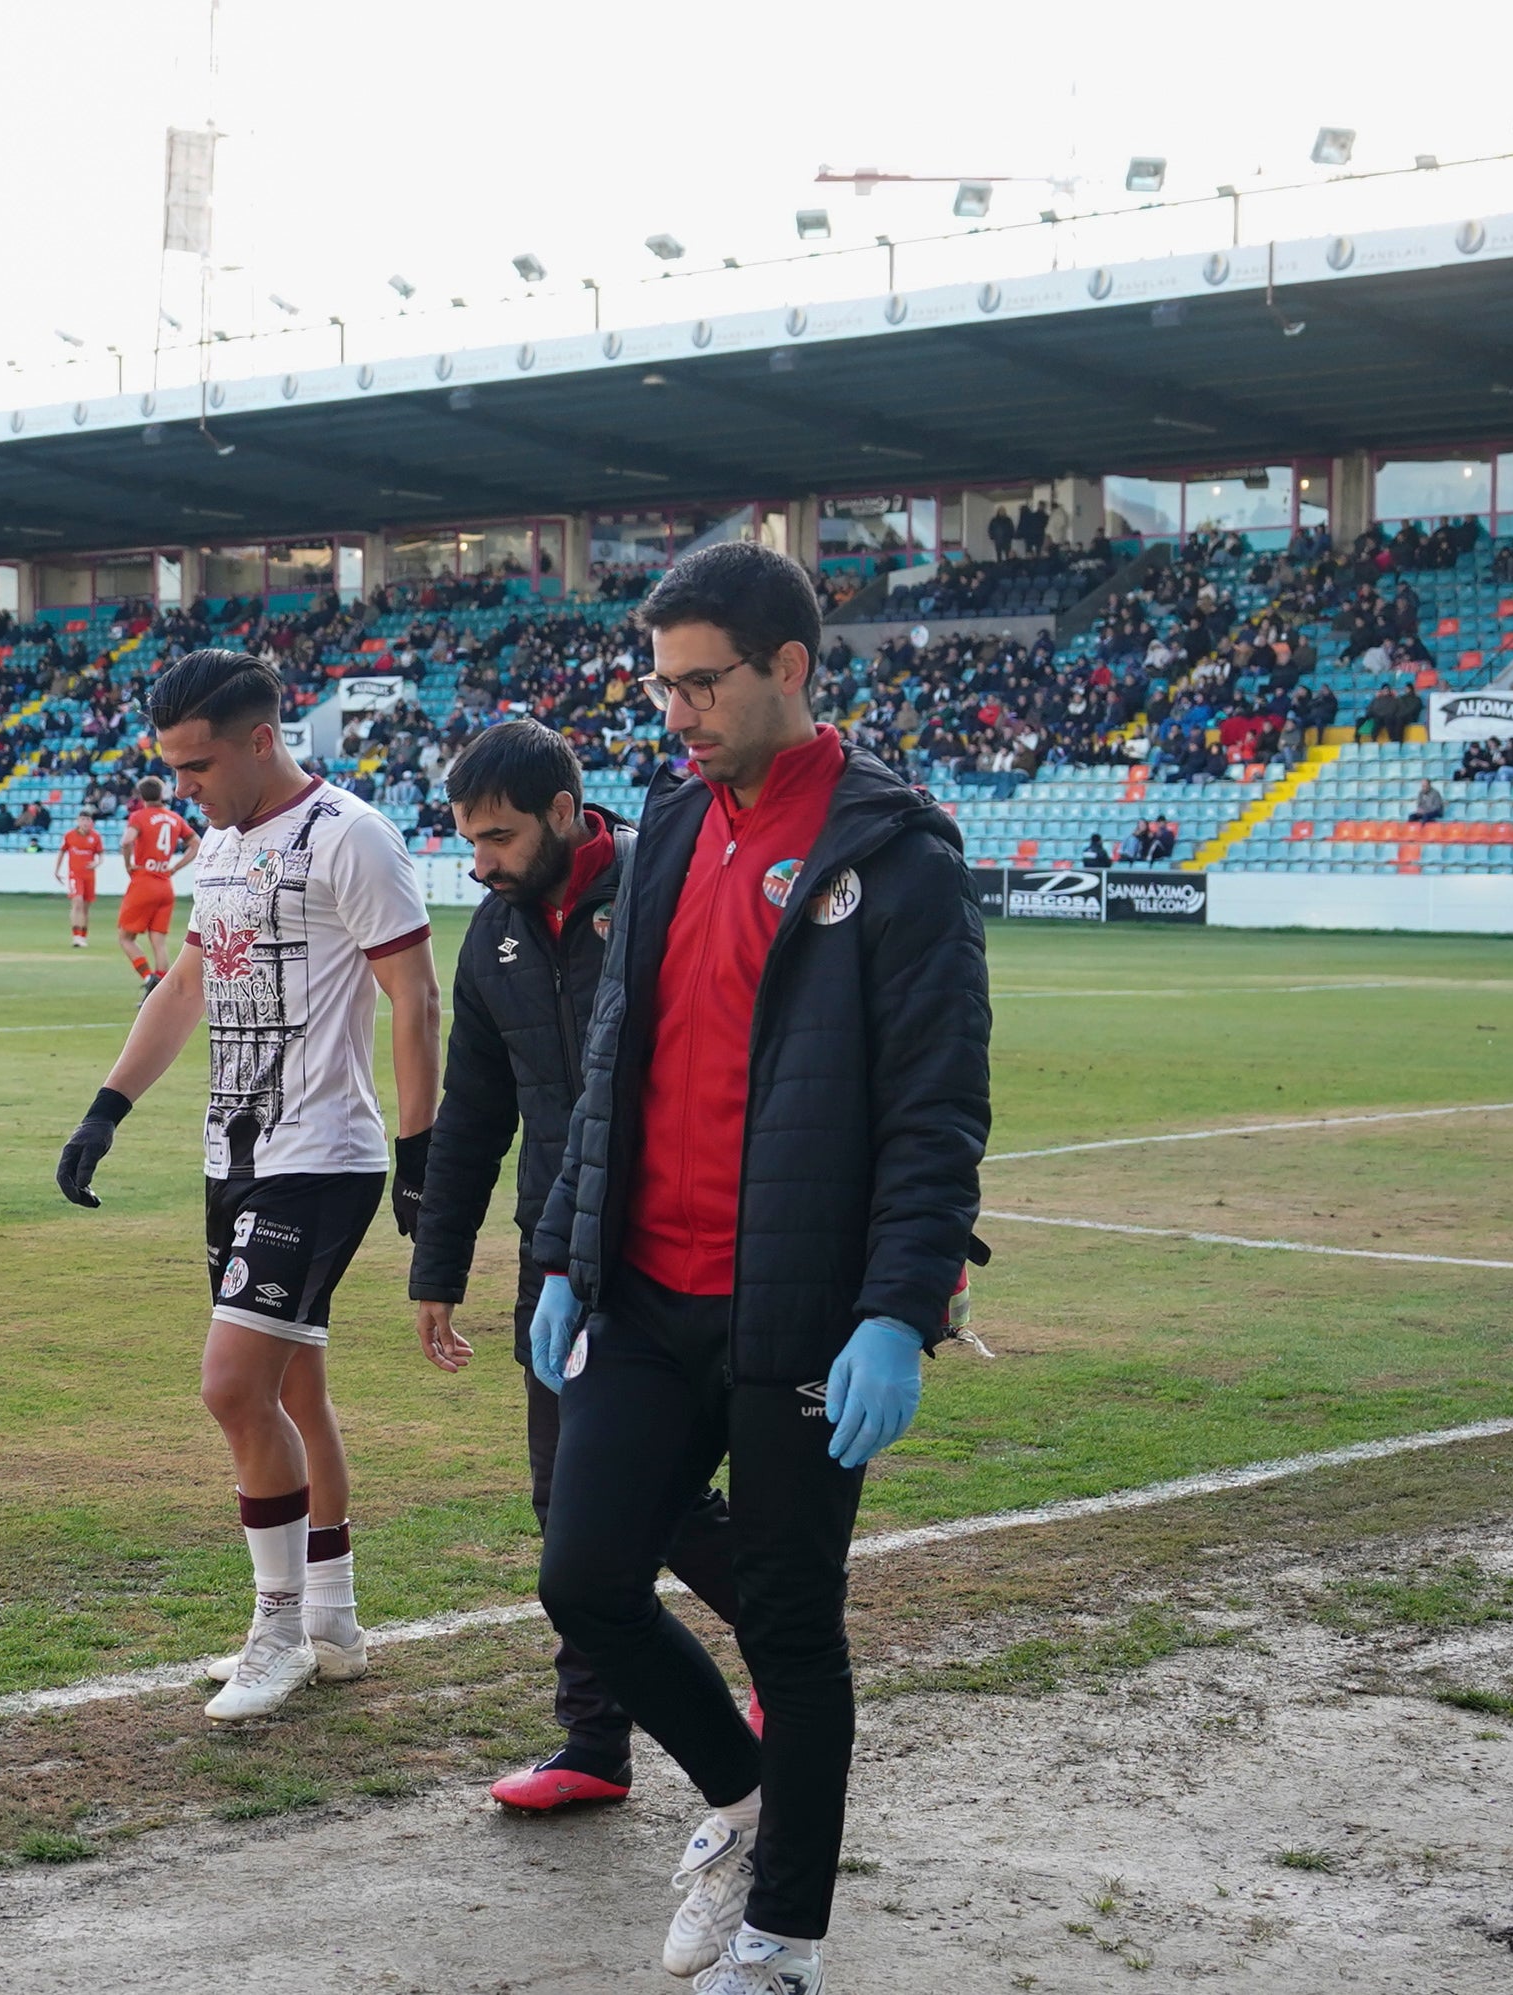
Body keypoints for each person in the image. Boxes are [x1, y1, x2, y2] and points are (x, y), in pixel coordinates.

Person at [529, 541, 989, 1992]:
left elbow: (935, 1106)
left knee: (788, 1620)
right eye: (661, 684)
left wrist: (900, 1311)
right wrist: (560, 1249)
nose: (676, 711)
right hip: (649, 1294)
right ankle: (743, 1799)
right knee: (586, 1575)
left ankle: (783, 1938)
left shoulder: (895, 854)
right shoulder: (666, 825)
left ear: (791, 666)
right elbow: (615, 1058)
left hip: (801, 1308)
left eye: (702, 682)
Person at [54, 649, 440, 1725]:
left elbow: (414, 997)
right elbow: (187, 981)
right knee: (292, 1394)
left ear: (261, 739)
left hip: (323, 1156)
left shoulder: (350, 837)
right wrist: (108, 1107)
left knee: (232, 1387)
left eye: (196, 765)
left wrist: (423, 1157)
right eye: (173, 769)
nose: (186, 789)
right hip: (236, 1158)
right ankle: (332, 1618)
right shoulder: (219, 848)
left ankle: (275, 1630)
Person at [404, 718, 746, 1814]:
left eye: (499, 838)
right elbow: (472, 1115)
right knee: (567, 1504)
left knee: (654, 1501)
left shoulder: (667, 891)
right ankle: (594, 1745)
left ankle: (791, 1641)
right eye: (468, 839)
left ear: (565, 811)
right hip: (557, 1264)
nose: (481, 861)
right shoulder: (494, 936)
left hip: (673, 1249)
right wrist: (436, 1264)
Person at [117, 775, 193, 996]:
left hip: (144, 882)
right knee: (158, 941)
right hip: (165, 884)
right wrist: (175, 868)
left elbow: (126, 841)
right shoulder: (174, 818)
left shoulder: (139, 816)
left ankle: (149, 978)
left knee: (125, 938)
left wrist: (128, 865)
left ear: (141, 797)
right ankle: (161, 991)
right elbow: (195, 843)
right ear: (162, 794)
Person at [56, 808, 104, 948]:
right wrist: (57, 870)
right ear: (78, 821)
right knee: (77, 902)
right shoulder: (69, 835)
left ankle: (83, 936)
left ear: (91, 822)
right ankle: (76, 936)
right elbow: (62, 852)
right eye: (82, 819)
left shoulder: (95, 837)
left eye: (88, 820)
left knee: (85, 907)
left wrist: (97, 863)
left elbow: (101, 854)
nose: (85, 822)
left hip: (89, 876)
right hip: (75, 875)